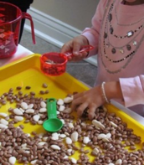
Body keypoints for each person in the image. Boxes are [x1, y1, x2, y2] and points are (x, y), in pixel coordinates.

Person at [61, 0, 144, 119]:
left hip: (136, 112)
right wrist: (85, 42)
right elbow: (99, 32)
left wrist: (107, 91)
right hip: (100, 96)